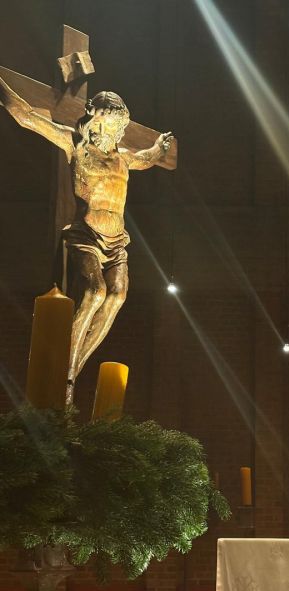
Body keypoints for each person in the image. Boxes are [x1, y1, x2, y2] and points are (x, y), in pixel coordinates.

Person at [0, 78, 174, 397]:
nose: (111, 128)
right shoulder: (74, 144)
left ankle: (71, 370)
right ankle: (65, 373)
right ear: (94, 118)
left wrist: (159, 147)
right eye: (106, 120)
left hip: (117, 240)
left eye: (116, 123)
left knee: (117, 296)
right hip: (87, 235)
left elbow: (147, 158)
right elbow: (25, 116)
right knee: (95, 292)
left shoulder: (123, 158)